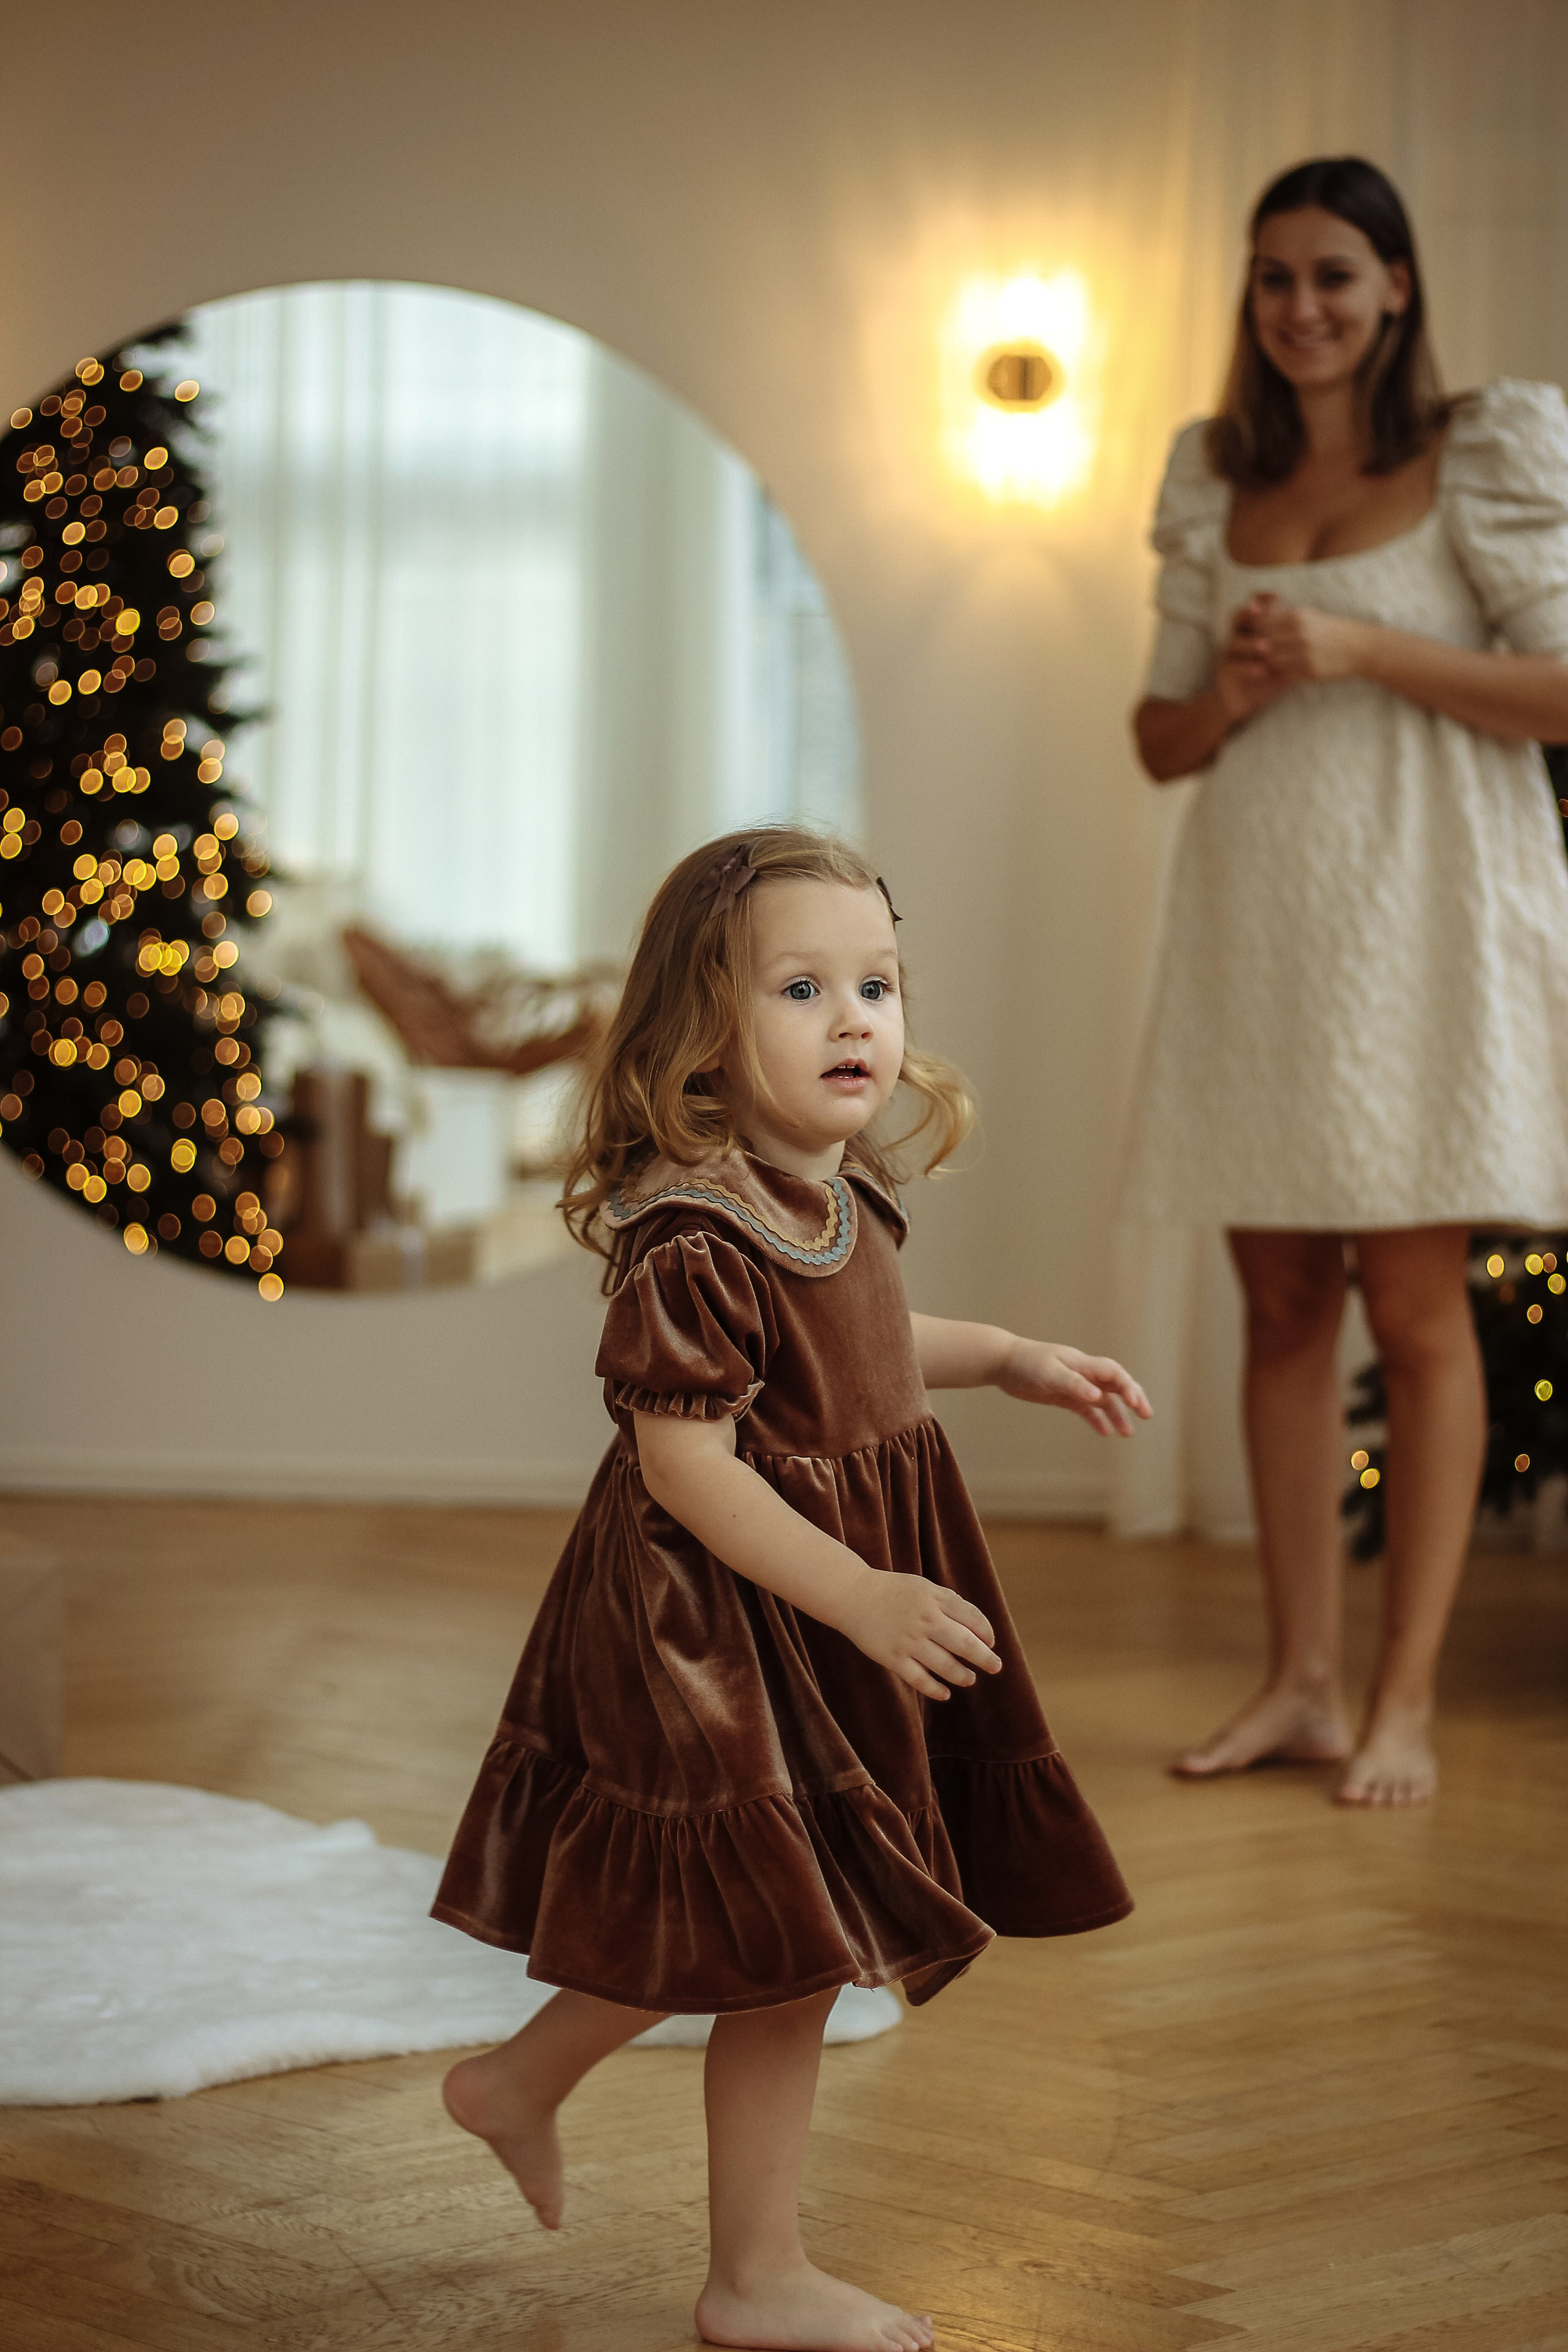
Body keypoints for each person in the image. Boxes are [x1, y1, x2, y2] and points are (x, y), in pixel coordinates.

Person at [432, 826, 1147, 2352]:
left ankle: (519, 2086)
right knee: (779, 1931)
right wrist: (862, 1596)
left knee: (757, 1922)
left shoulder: (832, 1193)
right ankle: (750, 2277)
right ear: (700, 1031)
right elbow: (688, 1468)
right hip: (711, 1623)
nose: (852, 1020)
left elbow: (865, 1339)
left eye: (874, 985)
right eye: (800, 988)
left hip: (804, 1608)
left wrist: (1009, 1356)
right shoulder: (692, 1235)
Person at [1125, 155, 1568, 1808]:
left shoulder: (1483, 450)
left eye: (1330, 274)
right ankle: (1300, 1682)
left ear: (1395, 285)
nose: (1298, 306)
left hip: (1425, 920)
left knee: (1416, 1309)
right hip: (1260, 923)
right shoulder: (1210, 474)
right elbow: (1158, 738)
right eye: (1272, 277)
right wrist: (1242, 692)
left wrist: (1363, 648)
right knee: (1281, 1305)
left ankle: (1404, 1703)